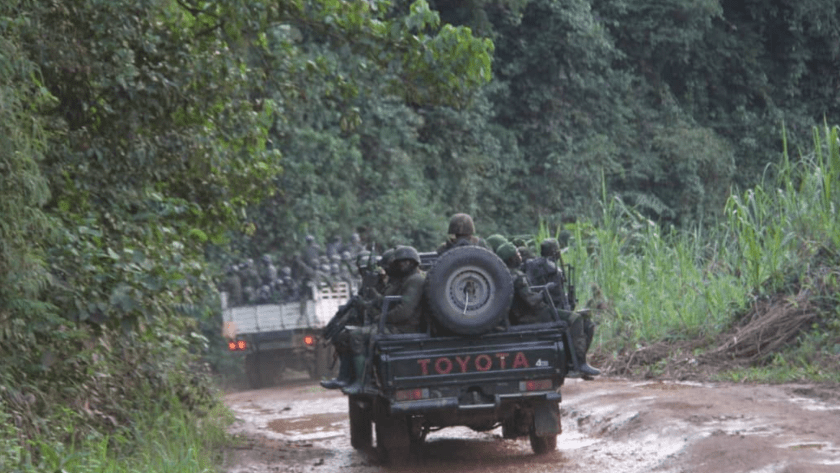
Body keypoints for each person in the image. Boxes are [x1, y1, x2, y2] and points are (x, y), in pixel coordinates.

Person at [322, 246, 425, 394]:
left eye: (406, 262)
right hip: (396, 325)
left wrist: (381, 318)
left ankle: (364, 383)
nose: (402, 265)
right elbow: (389, 301)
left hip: (403, 328)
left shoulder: (415, 280)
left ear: (414, 262)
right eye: (400, 262)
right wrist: (373, 297)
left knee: (356, 336)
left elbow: (404, 311)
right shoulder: (405, 280)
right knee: (345, 335)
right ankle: (346, 378)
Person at [495, 242, 553, 325]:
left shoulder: (499, 275)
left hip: (512, 317)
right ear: (511, 259)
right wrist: (544, 292)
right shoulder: (517, 276)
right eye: (518, 254)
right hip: (526, 317)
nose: (520, 256)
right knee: (570, 317)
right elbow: (532, 300)